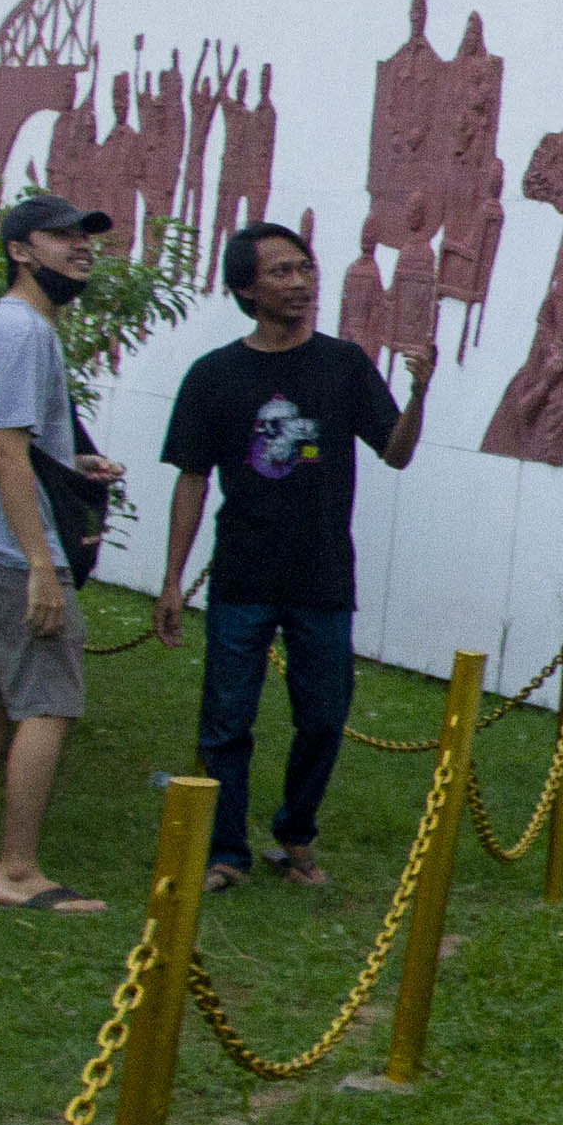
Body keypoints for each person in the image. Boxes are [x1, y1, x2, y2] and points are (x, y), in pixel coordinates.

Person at [152, 222, 430, 890]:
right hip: (243, 574)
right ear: (246, 287)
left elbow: (395, 452)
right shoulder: (214, 376)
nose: (300, 282)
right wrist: (171, 580)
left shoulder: (343, 365)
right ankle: (225, 853)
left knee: (325, 715)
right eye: (281, 271)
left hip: (323, 575)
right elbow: (191, 477)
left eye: (305, 267)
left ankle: (296, 834)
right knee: (226, 720)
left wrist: (420, 394)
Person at [0, 192, 127, 911]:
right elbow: (7, 454)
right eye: (61, 236)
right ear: (20, 250)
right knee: (50, 702)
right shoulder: (22, 333)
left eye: (86, 236)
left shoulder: (22, 326)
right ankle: (17, 871)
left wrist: (75, 460)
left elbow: (27, 443)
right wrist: (42, 564)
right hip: (13, 548)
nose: (81, 247)